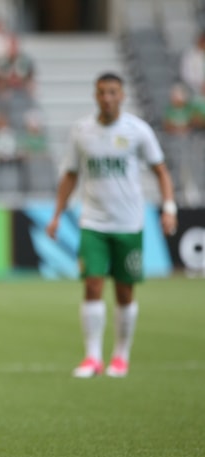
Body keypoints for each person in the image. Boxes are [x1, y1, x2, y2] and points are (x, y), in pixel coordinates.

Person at [45, 72, 178, 379]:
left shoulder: (138, 131)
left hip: (129, 224)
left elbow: (161, 171)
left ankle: (121, 355)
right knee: (92, 283)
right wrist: (56, 214)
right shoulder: (81, 131)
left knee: (124, 290)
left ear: (122, 95)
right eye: (102, 92)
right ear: (95, 95)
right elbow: (70, 175)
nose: (107, 98)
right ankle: (92, 357)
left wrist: (168, 208)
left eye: (113, 92)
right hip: (92, 222)